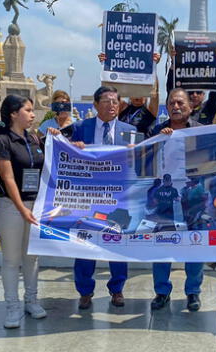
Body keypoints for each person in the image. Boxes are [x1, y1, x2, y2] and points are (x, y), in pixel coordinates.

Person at [67, 86, 136, 309]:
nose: (112, 104)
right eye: (106, 100)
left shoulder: (129, 130)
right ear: (95, 105)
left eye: (116, 100)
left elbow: (140, 164)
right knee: (85, 244)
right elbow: (65, 155)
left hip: (119, 198)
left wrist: (137, 152)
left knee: (117, 244)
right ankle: (85, 291)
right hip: (89, 197)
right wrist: (72, 147)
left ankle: (117, 289)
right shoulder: (80, 127)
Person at [0, 95, 47, 328]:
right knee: (12, 259)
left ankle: (31, 300)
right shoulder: (2, 140)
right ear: (14, 113)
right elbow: (8, 178)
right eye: (29, 110)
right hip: (11, 207)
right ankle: (12, 306)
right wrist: (22, 209)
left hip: (34, 205)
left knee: (31, 257)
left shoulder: (33, 138)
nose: (33, 115)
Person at [148, 88, 206, 311]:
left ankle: (193, 292)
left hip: (193, 198)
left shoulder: (201, 131)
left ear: (190, 107)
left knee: (194, 245)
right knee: (161, 245)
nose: (176, 107)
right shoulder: (157, 130)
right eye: (172, 103)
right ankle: (162, 292)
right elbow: (144, 159)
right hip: (164, 198)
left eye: (181, 103)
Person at [98, 52, 161, 135]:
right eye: (135, 91)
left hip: (142, 147)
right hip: (124, 146)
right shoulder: (123, 107)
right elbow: (109, 91)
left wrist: (153, 66)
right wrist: (106, 63)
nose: (137, 96)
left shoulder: (150, 110)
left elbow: (155, 92)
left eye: (140, 92)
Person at [166, 48, 216, 125]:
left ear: (203, 95)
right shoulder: (179, 109)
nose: (194, 95)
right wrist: (174, 62)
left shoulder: (208, 108)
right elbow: (171, 90)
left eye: (198, 92)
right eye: (191, 92)